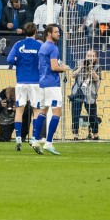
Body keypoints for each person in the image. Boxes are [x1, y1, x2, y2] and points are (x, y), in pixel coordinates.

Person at [6, 22, 44, 151]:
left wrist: (19, 62)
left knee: (19, 110)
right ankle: (34, 138)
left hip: (21, 81)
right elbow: (43, 61)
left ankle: (17, 138)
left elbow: (10, 60)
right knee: (36, 111)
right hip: (35, 82)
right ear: (35, 32)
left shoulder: (18, 45)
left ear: (24, 32)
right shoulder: (39, 45)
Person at [36, 24, 70, 155]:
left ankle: (35, 140)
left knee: (42, 111)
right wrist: (64, 68)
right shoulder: (53, 48)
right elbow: (54, 67)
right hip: (52, 83)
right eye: (56, 32)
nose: (58, 34)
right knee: (57, 112)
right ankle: (48, 142)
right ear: (49, 33)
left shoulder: (42, 46)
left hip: (43, 83)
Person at [70, 50, 100, 141]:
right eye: (88, 55)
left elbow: (97, 78)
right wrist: (80, 67)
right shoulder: (79, 63)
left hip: (90, 93)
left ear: (95, 58)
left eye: (92, 56)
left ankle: (95, 134)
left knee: (92, 114)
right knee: (75, 114)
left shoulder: (97, 67)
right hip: (78, 92)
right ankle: (75, 134)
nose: (90, 57)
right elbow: (73, 75)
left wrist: (90, 69)